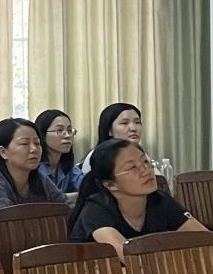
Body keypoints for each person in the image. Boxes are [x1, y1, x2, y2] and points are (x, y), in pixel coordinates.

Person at [68, 139, 206, 260]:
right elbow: (130, 258)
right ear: (111, 184)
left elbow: (205, 239)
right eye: (132, 168)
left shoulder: (160, 200)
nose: (146, 170)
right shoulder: (96, 210)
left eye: (145, 161)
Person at [0, 118, 67, 228]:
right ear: (3, 152)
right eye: (24, 143)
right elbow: (7, 222)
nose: (34, 149)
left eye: (37, 143)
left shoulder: (38, 178)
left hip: (32, 237)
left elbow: (67, 208)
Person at [80, 103, 144, 175]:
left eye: (137, 122)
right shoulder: (98, 158)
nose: (134, 128)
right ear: (109, 130)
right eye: (124, 123)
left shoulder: (140, 154)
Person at [34, 109, 84, 194]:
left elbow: (87, 189)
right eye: (60, 130)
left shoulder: (67, 165)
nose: (67, 136)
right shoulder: (34, 167)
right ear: (42, 134)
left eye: (69, 130)